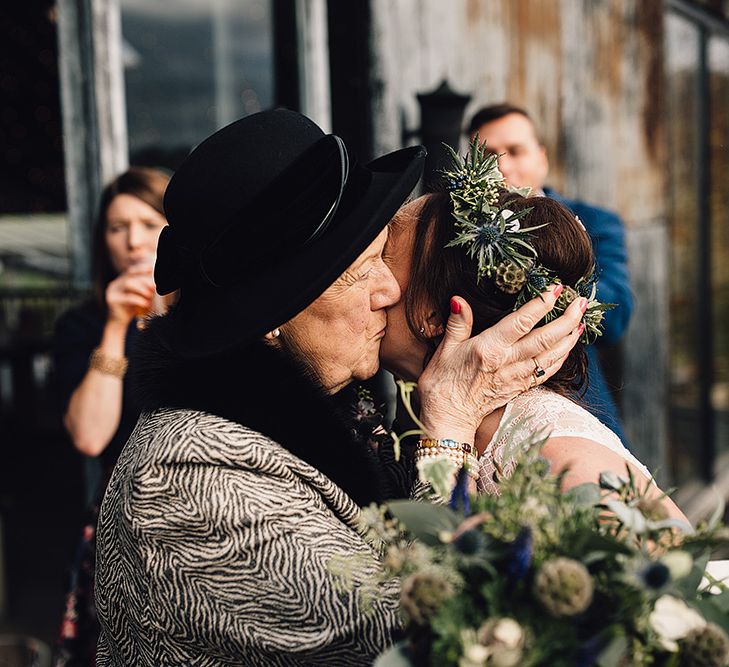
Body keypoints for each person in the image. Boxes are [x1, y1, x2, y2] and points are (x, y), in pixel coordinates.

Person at [94, 109, 586, 666]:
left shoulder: (336, 406)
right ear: (272, 313)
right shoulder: (190, 478)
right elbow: (433, 637)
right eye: (366, 265)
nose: (390, 287)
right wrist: (449, 426)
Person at [379, 178, 684, 520]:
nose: (365, 278)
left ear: (435, 314)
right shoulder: (422, 410)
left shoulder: (561, 464)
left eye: (382, 257)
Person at [52, 167, 171, 667]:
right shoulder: (84, 324)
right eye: (117, 227)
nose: (133, 241)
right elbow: (89, 436)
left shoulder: (207, 314)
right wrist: (117, 326)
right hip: (117, 522)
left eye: (147, 222)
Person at [467, 103, 633, 443]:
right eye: (488, 156)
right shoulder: (460, 235)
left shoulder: (596, 222)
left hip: (577, 408)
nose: (502, 165)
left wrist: (543, 280)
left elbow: (616, 316)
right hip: (480, 420)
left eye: (515, 151)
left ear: (541, 157)